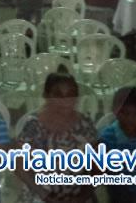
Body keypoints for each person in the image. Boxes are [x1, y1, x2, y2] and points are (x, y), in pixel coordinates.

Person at [15, 73, 97, 203]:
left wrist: (81, 196)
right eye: (58, 94)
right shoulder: (33, 125)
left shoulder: (85, 124)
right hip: (40, 193)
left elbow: (97, 167)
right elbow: (19, 166)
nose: (65, 100)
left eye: (71, 94)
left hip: (77, 193)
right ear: (46, 96)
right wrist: (45, 196)